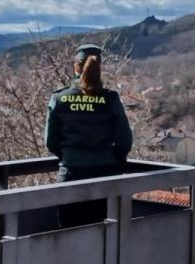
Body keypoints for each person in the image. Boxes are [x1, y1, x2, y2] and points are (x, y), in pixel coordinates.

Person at [44, 44, 133, 227]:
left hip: (71, 176)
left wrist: (70, 157)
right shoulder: (110, 99)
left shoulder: (60, 99)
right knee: (105, 237)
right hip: (105, 177)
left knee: (69, 237)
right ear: (99, 68)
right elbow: (124, 141)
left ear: (75, 66)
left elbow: (50, 141)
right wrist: (113, 160)